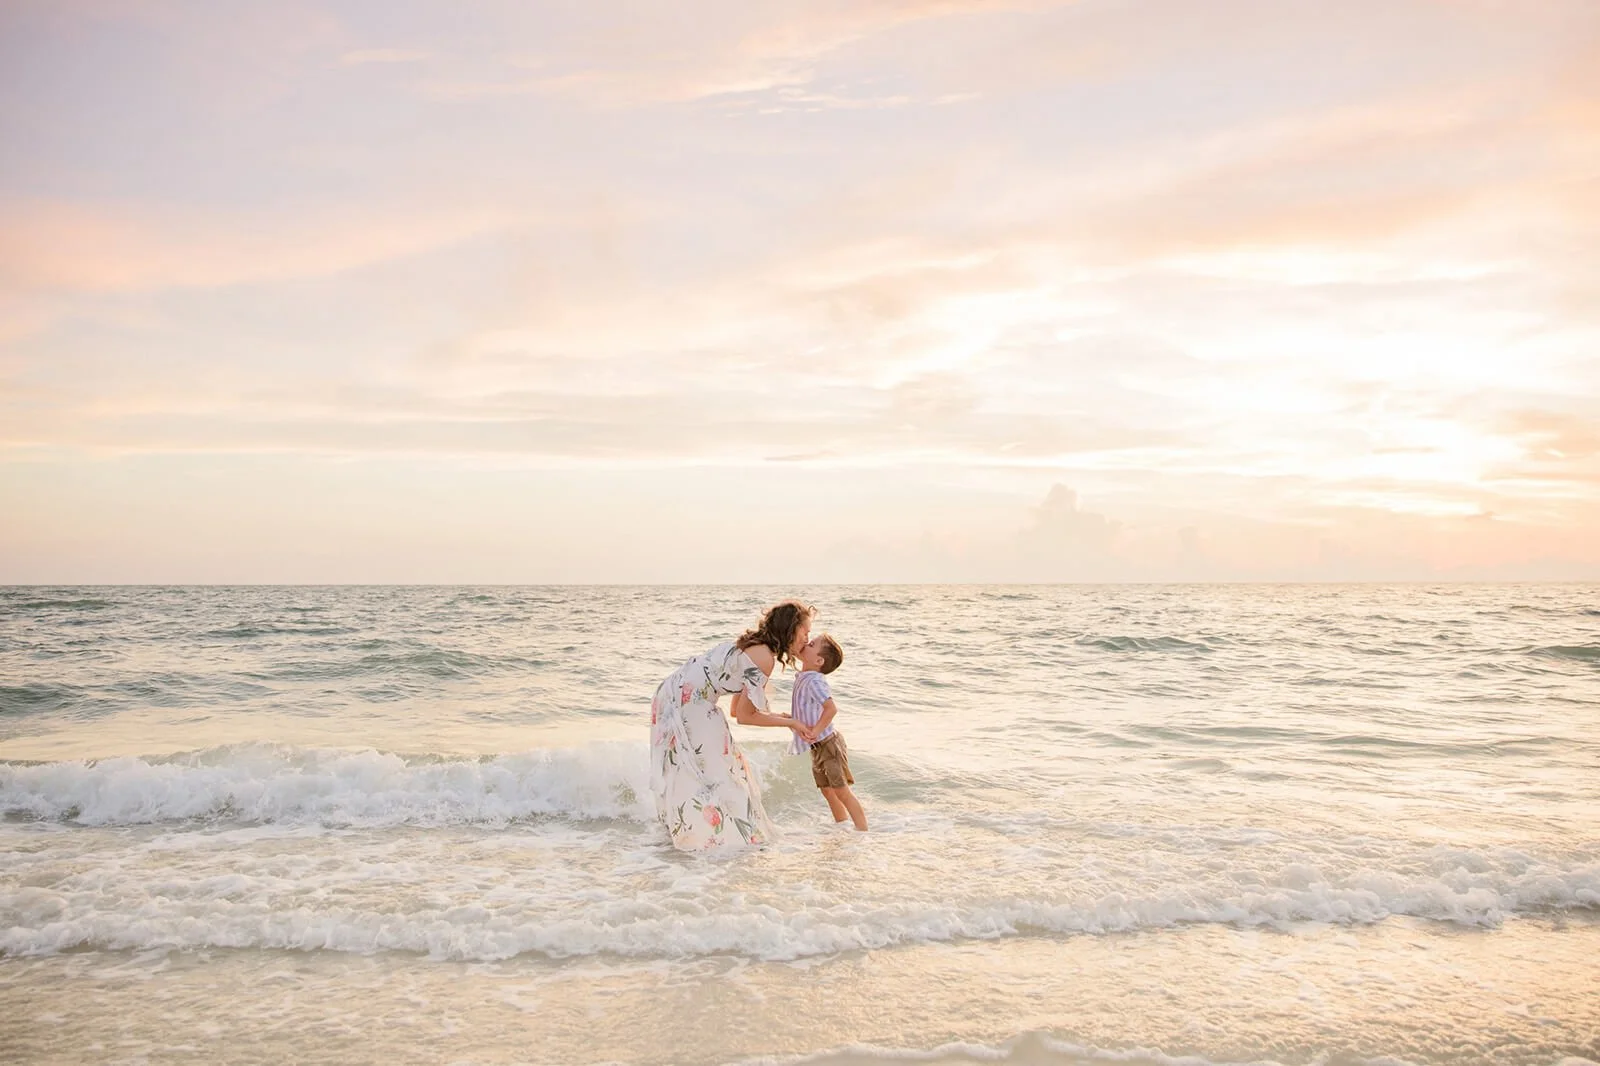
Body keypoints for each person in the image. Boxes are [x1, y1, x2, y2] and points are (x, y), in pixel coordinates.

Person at [649, 600, 813, 851]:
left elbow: (738, 710)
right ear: (791, 629)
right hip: (691, 701)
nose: (807, 638)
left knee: (713, 765)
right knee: (719, 768)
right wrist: (790, 722)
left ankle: (699, 835)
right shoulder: (764, 658)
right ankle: (716, 842)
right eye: (805, 632)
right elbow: (746, 716)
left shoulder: (755, 646)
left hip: (677, 690)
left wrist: (783, 717)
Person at [789, 634, 866, 831]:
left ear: (818, 661)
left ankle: (863, 832)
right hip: (818, 746)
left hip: (828, 744)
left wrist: (815, 730)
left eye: (811, 644)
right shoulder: (804, 676)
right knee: (827, 791)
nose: (806, 643)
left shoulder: (814, 681)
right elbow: (806, 709)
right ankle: (841, 826)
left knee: (841, 791)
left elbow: (831, 708)